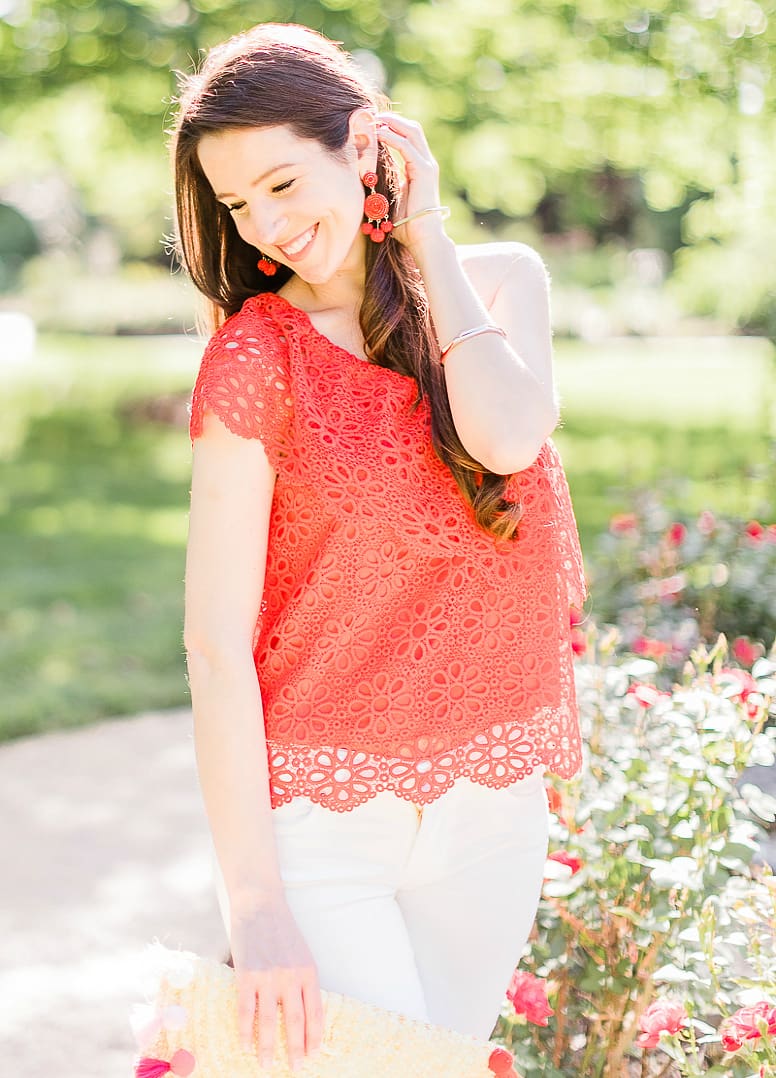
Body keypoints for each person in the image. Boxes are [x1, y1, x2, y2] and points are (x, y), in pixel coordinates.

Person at [171, 20, 585, 1075]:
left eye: (280, 183)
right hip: (322, 826)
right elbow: (214, 646)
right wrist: (254, 905)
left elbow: (505, 438)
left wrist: (426, 234)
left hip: (488, 812)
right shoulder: (257, 359)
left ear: (362, 144)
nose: (267, 225)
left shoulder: (502, 284)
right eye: (237, 204)